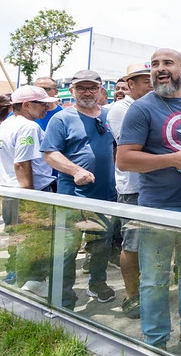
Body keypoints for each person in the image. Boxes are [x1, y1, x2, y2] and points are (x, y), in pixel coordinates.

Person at [117, 48, 181, 351]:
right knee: (154, 279)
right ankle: (155, 340)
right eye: (154, 64)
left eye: (167, 63)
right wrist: (174, 159)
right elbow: (124, 159)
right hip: (157, 208)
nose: (160, 69)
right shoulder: (141, 108)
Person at [41, 69, 117, 309]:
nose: (87, 92)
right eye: (81, 88)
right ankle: (63, 296)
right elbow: (50, 153)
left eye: (92, 88)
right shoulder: (61, 118)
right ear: (72, 90)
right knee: (67, 249)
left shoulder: (108, 115)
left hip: (105, 197)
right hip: (72, 197)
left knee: (101, 245)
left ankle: (98, 283)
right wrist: (75, 171)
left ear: (101, 90)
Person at [0, 85, 58, 295]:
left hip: (10, 192)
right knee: (36, 240)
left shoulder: (6, 124)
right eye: (43, 104)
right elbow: (21, 164)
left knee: (17, 238)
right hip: (29, 193)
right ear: (28, 105)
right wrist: (31, 199)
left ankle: (16, 275)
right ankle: (34, 281)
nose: (47, 108)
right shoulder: (28, 127)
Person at [106, 63, 153, 319]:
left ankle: (147, 289)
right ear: (129, 84)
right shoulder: (120, 110)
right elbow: (137, 149)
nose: (149, 84)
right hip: (133, 188)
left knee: (151, 243)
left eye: (151, 80)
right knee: (132, 244)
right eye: (142, 80)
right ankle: (131, 295)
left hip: (154, 187)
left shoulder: (150, 105)